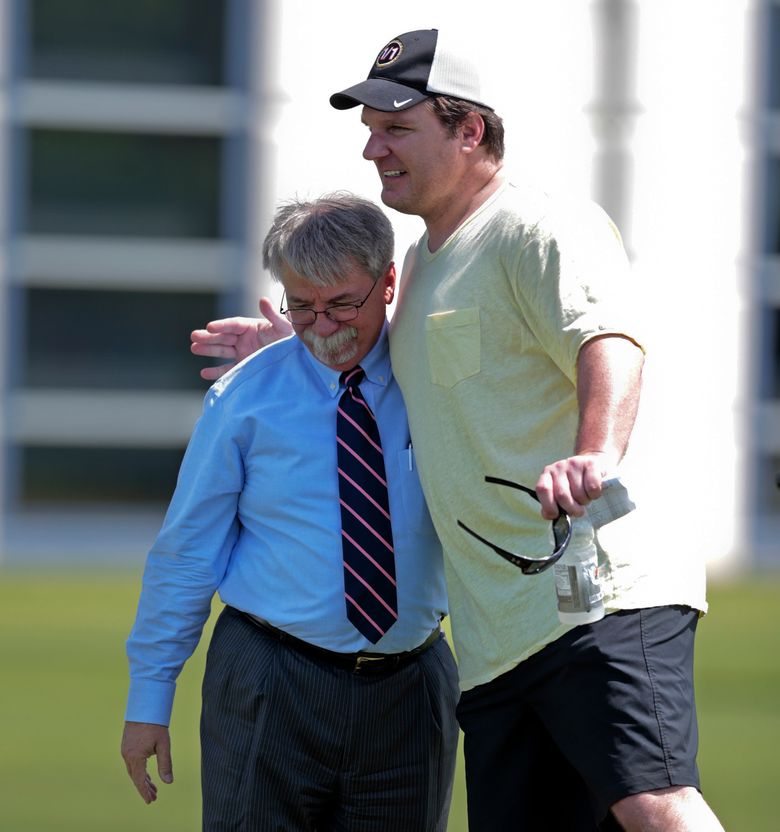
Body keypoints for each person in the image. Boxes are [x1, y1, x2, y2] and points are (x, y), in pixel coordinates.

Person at [191, 29, 725, 832]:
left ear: (469, 129)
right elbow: (398, 369)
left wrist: (595, 452)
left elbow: (607, 339)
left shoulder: (539, 227)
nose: (373, 149)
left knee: (654, 803)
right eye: (370, 130)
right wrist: (302, 341)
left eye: (397, 127)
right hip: (498, 635)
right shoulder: (430, 260)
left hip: (596, 597)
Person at [122, 193, 459, 832]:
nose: (322, 326)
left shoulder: (441, 382)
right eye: (300, 306)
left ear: (388, 283)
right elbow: (187, 554)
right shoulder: (244, 399)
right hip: (269, 681)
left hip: (411, 691)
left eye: (341, 305)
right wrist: (149, 700)